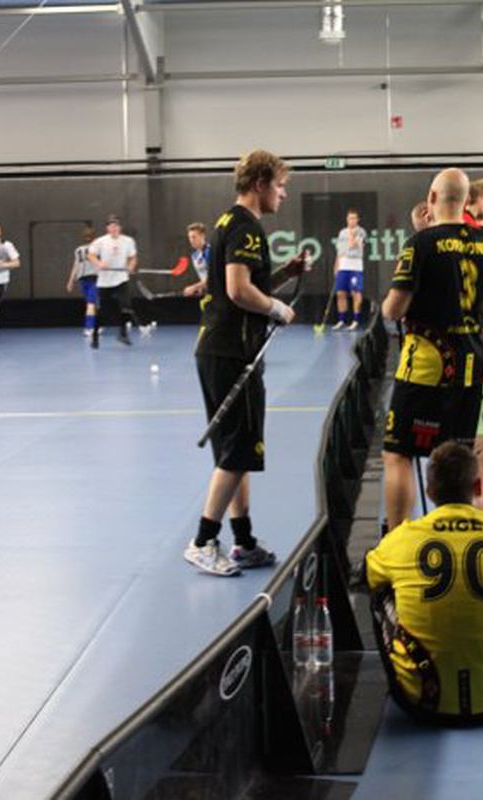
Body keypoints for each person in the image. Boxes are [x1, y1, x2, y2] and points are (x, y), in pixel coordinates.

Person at [366, 441, 483, 726]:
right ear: (478, 486)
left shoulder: (400, 539)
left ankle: (413, 668)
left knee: (382, 588)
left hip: (422, 701)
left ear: (429, 492)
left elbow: (370, 576)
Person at [186, 149, 310, 576]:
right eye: (280, 185)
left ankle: (243, 540)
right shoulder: (246, 227)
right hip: (232, 353)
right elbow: (239, 291)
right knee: (238, 450)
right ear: (260, 184)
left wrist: (285, 275)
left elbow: (240, 285)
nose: (283, 194)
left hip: (218, 349)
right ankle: (203, 541)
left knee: (235, 451)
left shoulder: (227, 222)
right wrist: (277, 307)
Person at [381, 168, 483, 531]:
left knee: (398, 452)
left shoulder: (420, 244)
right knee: (460, 458)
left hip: (428, 366)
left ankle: (397, 539)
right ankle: (463, 535)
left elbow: (394, 309)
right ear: (466, 201)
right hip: (471, 364)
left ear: (432, 198)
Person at [87, 215, 140, 348]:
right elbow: (91, 255)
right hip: (104, 281)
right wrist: (99, 263)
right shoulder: (100, 241)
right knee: (101, 311)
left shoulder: (128, 241)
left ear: (120, 227)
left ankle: (123, 333)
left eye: (116, 225)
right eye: (111, 226)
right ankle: (95, 336)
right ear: (107, 228)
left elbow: (133, 257)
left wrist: (131, 266)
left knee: (126, 306)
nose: (114, 228)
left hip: (121, 279)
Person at [331, 209, 368, 331]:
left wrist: (353, 233)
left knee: (355, 293)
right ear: (347, 219)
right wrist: (336, 266)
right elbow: (339, 251)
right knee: (340, 293)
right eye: (349, 218)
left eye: (354, 218)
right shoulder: (342, 233)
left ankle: (356, 320)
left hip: (355, 266)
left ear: (357, 220)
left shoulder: (361, 232)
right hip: (343, 266)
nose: (351, 221)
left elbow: (353, 245)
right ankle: (342, 320)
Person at [65, 227, 98, 338]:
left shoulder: (78, 250)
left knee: (90, 304)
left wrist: (70, 281)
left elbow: (75, 266)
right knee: (91, 304)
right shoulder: (97, 249)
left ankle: (91, 326)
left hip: (82, 278)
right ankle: (90, 328)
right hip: (93, 278)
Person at [182, 222, 211, 297]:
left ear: (202, 236)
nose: (191, 240)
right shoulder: (194, 256)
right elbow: (204, 278)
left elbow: (214, 278)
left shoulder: (210, 252)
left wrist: (194, 287)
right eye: (189, 237)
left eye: (194, 237)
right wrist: (200, 288)